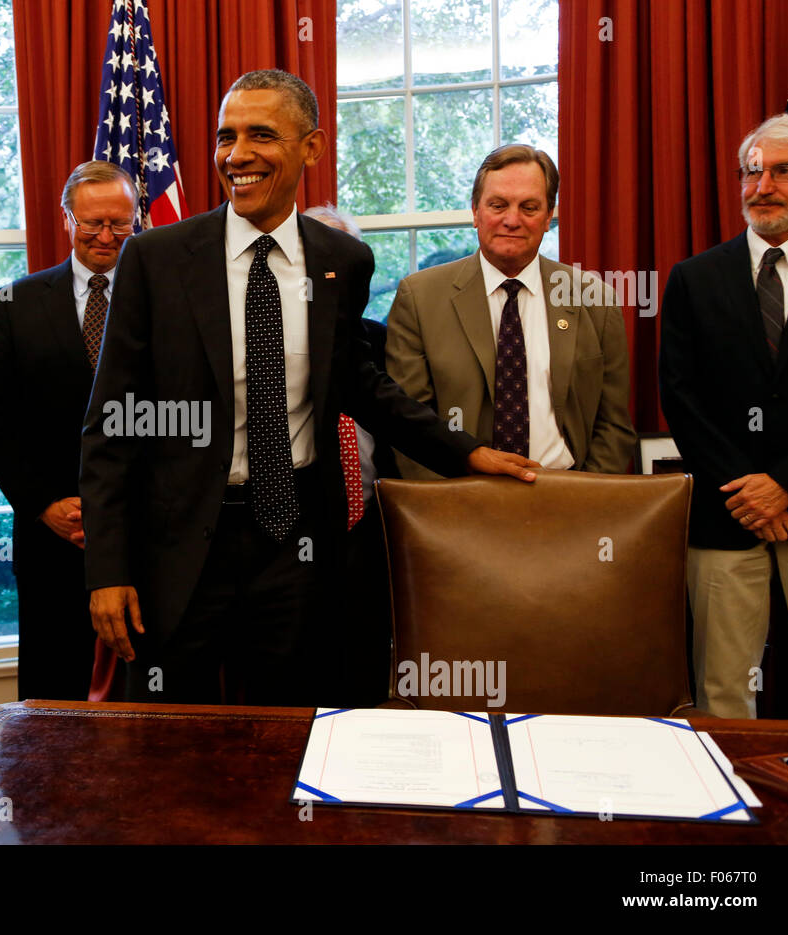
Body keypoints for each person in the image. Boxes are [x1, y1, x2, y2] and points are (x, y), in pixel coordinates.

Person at [80, 69, 538, 706]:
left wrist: (464, 451)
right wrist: (108, 569)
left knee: (294, 726)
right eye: (225, 137)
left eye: (260, 135)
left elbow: (359, 382)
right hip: (181, 547)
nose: (236, 155)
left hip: (295, 542)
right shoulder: (156, 258)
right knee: (168, 739)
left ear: (312, 147)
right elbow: (112, 425)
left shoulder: (342, 260)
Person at [660, 113, 788, 718]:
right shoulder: (695, 278)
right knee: (724, 694)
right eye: (752, 172)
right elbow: (680, 396)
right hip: (727, 513)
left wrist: (787, 485)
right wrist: (749, 490)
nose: (762, 186)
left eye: (783, 171)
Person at [0, 161, 138, 700]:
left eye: (119, 222)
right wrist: (44, 502)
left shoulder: (165, 296)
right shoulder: (17, 303)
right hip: (51, 533)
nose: (106, 236)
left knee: (150, 691)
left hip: (146, 532)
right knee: (52, 696)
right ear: (67, 218)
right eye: (92, 223)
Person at [385, 144, 635, 479]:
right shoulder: (418, 298)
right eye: (498, 205)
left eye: (529, 208)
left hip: (570, 497)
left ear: (549, 217)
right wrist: (444, 511)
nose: (511, 220)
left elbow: (613, 426)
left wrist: (587, 501)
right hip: (456, 502)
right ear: (475, 212)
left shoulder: (593, 298)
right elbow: (409, 426)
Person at [302, 203, 398, 707]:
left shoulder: (382, 340)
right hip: (294, 531)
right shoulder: (273, 342)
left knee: (364, 669)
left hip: (372, 525)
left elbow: (405, 421)